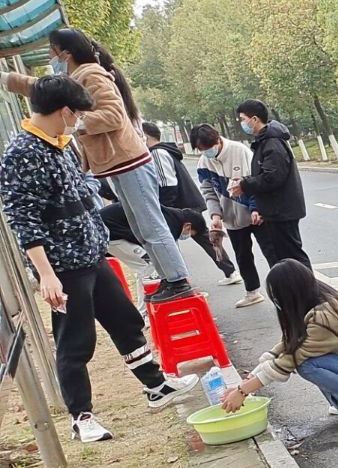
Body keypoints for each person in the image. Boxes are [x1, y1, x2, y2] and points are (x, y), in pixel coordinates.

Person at [0, 75, 199, 441]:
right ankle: (82, 416)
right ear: (64, 111)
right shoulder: (22, 154)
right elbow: (23, 219)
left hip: (92, 253)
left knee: (125, 320)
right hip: (63, 265)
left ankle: (156, 386)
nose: (79, 121)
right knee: (76, 341)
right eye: (77, 114)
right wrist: (46, 274)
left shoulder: (61, 144)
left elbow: (81, 192)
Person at [2, 29, 195, 304]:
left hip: (129, 161)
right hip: (117, 165)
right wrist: (6, 79)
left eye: (51, 51)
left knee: (150, 225)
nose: (50, 57)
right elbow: (43, 88)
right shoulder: (77, 77)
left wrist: (75, 121)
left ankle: (178, 280)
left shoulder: (92, 75)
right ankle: (169, 278)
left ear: (65, 53)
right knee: (141, 227)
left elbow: (114, 115)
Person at [221, 260, 338, 434]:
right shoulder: (318, 302)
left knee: (307, 364)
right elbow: (289, 344)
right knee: (308, 358)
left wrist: (243, 391)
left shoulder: (326, 317)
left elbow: (291, 359)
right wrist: (244, 384)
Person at [142, 120, 241, 287]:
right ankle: (230, 271)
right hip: (188, 203)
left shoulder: (157, 153)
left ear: (145, 137)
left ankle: (179, 280)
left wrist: (165, 210)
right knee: (204, 239)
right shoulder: (167, 150)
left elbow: (168, 184)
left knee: (168, 243)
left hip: (179, 207)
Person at [191, 123, 267, 308]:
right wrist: (215, 216)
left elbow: (256, 182)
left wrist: (256, 208)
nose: (206, 152)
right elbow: (209, 192)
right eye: (201, 149)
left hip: (255, 214)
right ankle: (252, 292)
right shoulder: (204, 162)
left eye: (208, 148)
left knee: (270, 251)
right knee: (243, 256)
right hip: (232, 219)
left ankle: (286, 289)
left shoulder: (240, 151)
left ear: (218, 140)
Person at [227, 100, 310, 269]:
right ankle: (294, 285)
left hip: (282, 210)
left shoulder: (272, 143)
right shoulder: (264, 141)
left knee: (293, 256)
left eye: (243, 119)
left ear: (254, 119)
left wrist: (245, 185)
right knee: (284, 257)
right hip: (275, 209)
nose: (242, 123)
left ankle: (308, 285)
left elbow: (272, 177)